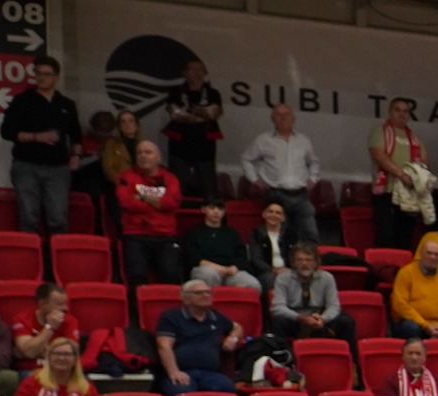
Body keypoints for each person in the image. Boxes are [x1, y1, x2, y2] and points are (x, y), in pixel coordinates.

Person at [1, 54, 82, 238]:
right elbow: (7, 132)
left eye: (46, 74)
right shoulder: (22, 101)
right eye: (38, 73)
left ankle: (56, 254)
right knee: (28, 216)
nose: (42, 77)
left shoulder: (67, 104)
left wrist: (76, 156)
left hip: (58, 168)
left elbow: (76, 134)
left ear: (56, 77)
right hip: (26, 164)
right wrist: (36, 137)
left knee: (58, 217)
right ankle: (30, 253)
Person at [239, 103, 322, 241]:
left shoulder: (303, 140)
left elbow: (314, 161)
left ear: (293, 119)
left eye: (286, 114)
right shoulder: (263, 140)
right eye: (278, 114)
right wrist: (255, 180)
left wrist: (313, 179)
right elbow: (246, 159)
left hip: (301, 194)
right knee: (281, 235)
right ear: (272, 118)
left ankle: (311, 255)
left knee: (310, 232)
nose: (283, 118)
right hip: (276, 194)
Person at [155, 279, 243, 396]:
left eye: (208, 292)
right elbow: (164, 346)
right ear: (185, 298)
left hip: (210, 374)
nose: (205, 295)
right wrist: (174, 372)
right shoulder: (171, 317)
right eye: (199, 293)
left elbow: (238, 327)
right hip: (182, 372)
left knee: (228, 391)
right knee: (182, 393)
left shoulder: (215, 316)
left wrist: (233, 338)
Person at [369, 96, 433, 250]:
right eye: (397, 110)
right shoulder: (379, 131)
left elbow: (424, 161)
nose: (402, 114)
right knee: (385, 234)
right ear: (390, 112)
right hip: (387, 191)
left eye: (405, 111)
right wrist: (402, 175)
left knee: (405, 236)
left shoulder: (415, 138)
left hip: (409, 193)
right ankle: (383, 264)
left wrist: (416, 176)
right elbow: (379, 155)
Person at [117, 139, 184, 285]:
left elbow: (171, 203)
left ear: (158, 158)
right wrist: (158, 203)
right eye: (139, 153)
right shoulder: (126, 177)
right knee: (137, 276)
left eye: (148, 152)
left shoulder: (170, 179)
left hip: (165, 236)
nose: (143, 156)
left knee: (171, 275)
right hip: (135, 234)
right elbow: (126, 202)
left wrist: (141, 197)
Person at [163, 57, 224, 201]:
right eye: (193, 69)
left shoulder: (213, 93)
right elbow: (175, 114)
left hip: (205, 150)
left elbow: (213, 114)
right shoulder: (175, 92)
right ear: (185, 72)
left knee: (209, 191)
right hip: (179, 149)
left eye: (201, 69)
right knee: (176, 190)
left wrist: (190, 110)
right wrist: (202, 114)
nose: (197, 72)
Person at [271, 241, 355, 345]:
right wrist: (300, 318)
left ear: (316, 262)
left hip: (319, 317)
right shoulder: (283, 279)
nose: (304, 264)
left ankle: (350, 354)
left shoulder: (327, 278)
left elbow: (334, 306)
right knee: (278, 322)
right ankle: (282, 354)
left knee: (346, 321)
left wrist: (323, 319)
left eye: (309, 260)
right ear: (293, 262)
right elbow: (277, 307)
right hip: (295, 318)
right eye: (300, 260)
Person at [183, 197, 263, 291]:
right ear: (203, 209)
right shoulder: (194, 232)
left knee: (253, 285)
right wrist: (222, 269)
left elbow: (241, 256)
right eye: (212, 208)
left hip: (231, 272)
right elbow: (195, 258)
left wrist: (235, 267)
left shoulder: (232, 233)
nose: (216, 211)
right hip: (205, 269)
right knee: (209, 275)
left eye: (220, 209)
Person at [14, 336, 97, 396]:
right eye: (57, 354)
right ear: (49, 357)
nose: (61, 358)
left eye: (67, 354)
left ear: (75, 359)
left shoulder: (86, 388)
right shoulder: (31, 384)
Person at [13, 283, 81, 368]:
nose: (65, 308)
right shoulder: (22, 319)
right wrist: (50, 327)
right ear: (42, 304)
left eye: (65, 303)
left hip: (59, 369)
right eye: (59, 304)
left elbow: (72, 353)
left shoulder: (69, 320)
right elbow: (29, 352)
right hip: (31, 370)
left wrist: (41, 348)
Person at [246, 197, 300, 289]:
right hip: (267, 272)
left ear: (283, 217)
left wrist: (287, 269)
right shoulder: (256, 234)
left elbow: (297, 255)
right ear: (264, 214)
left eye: (278, 213)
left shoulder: (291, 234)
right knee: (275, 280)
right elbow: (256, 259)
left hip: (289, 270)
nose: (273, 215)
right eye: (270, 212)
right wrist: (273, 270)